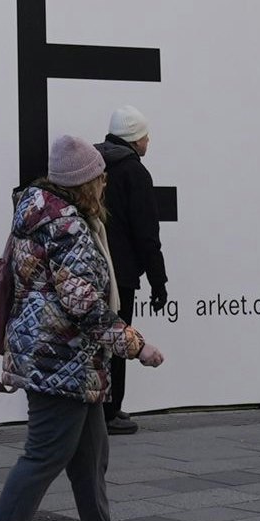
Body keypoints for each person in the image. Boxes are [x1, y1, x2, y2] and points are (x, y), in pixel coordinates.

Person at [0, 133, 160, 521]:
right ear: (84, 181)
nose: (105, 182)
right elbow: (83, 304)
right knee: (44, 455)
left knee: (90, 459)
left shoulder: (37, 213)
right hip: (60, 359)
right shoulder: (67, 227)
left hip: (60, 357)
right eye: (99, 175)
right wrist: (136, 344)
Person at [96, 108, 169, 434]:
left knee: (96, 337)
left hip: (91, 267)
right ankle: (111, 410)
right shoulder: (134, 173)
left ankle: (98, 407)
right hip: (121, 271)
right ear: (133, 138)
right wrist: (158, 281)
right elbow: (146, 233)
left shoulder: (94, 165)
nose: (148, 141)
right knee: (119, 335)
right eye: (144, 136)